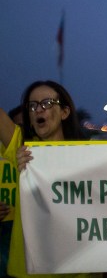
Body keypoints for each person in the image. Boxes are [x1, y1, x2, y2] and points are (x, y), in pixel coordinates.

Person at [1, 82, 91, 278]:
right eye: (32, 105)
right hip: (26, 272)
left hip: (76, 271)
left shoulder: (88, 155)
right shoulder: (24, 149)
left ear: (64, 112)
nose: (38, 109)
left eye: (47, 103)